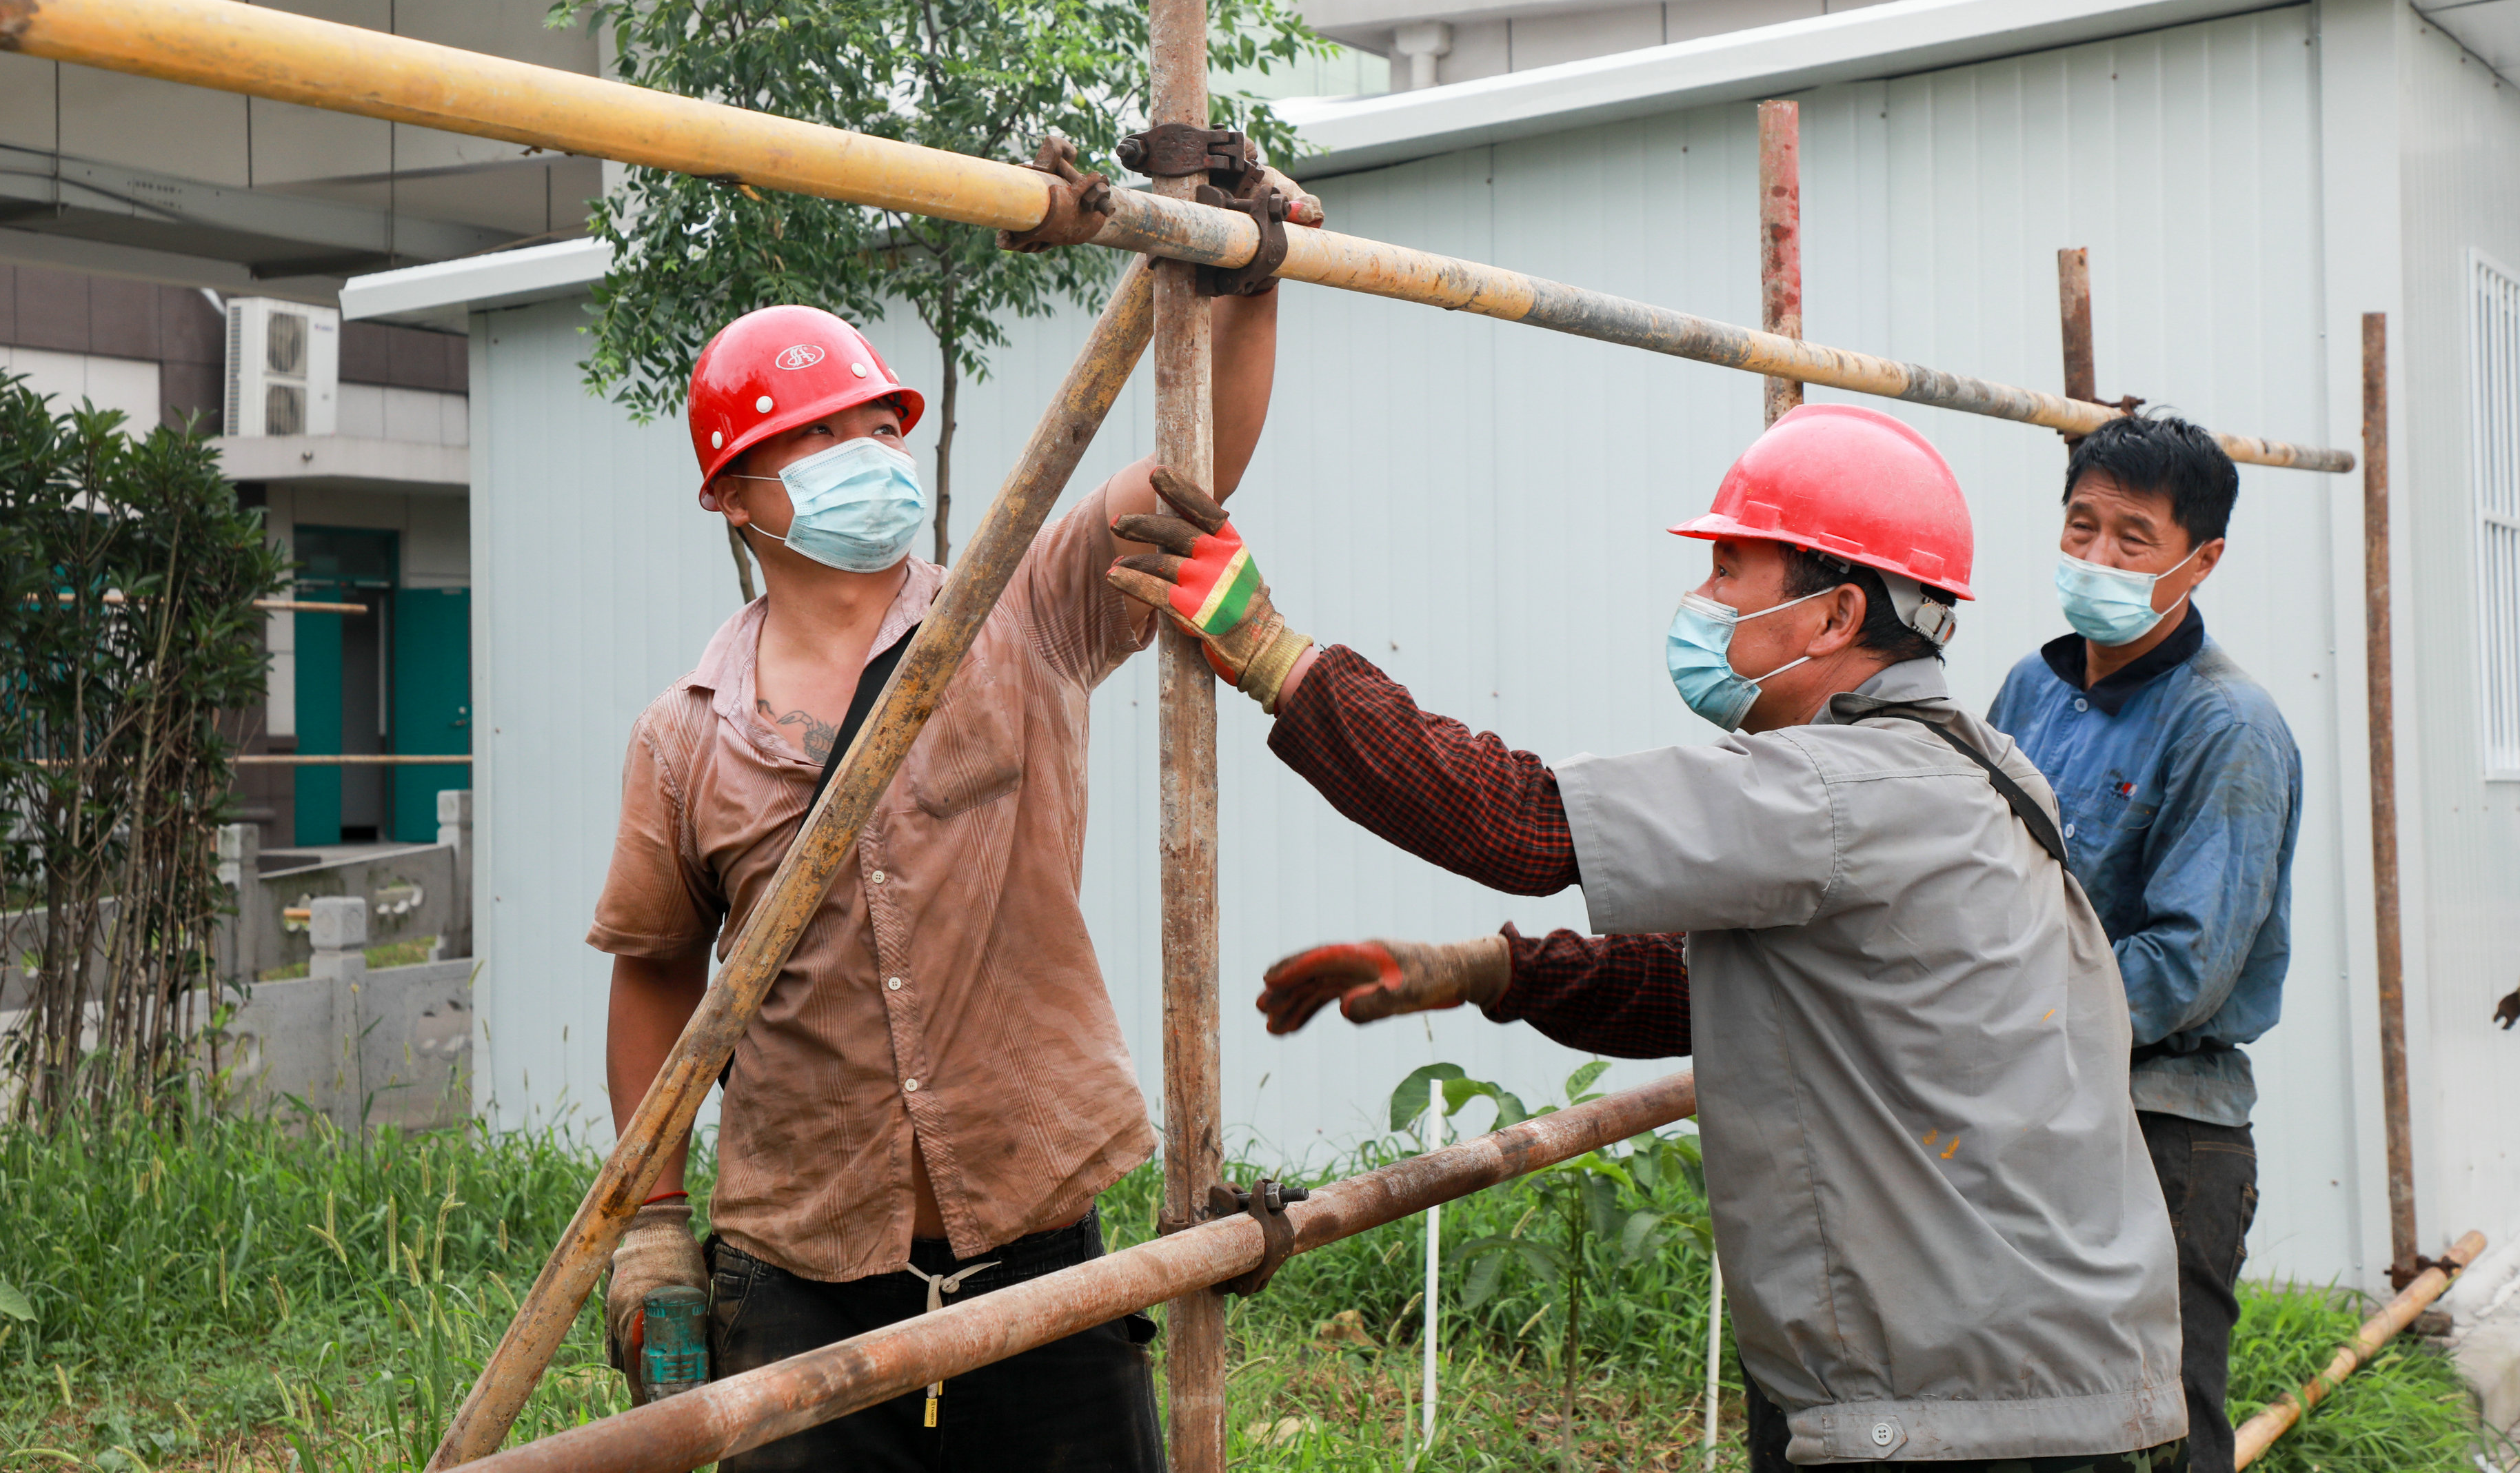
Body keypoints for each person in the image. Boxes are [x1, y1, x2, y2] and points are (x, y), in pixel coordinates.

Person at [1111, 403, 2187, 1473]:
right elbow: (1725, 990)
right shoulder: (1975, 762)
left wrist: (1271, 653)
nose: (1701, 602)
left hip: (1965, 1410)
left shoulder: (1837, 786)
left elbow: (1525, 820)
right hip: (2040, 1372)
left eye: (1730, 570)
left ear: (1832, 614)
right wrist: (1489, 972)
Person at [586, 284, 1280, 1471]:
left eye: (873, 425)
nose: (859, 453)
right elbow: (657, 978)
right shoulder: (686, 736)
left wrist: (1248, 281)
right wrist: (650, 1228)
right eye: (810, 436)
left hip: (1042, 1248)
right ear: (731, 495)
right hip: (798, 1274)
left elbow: (1186, 468)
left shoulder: (1019, 609)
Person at [1988, 414, 2301, 1473]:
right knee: (2021, 1420)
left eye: (2134, 539)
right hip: (2027, 1111)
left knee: (2160, 1430)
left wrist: (2005, 1026)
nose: (2096, 559)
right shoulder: (2032, 691)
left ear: (2201, 560)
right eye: (2081, 527)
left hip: (2159, 1130)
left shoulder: (2229, 725)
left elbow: (2183, 965)